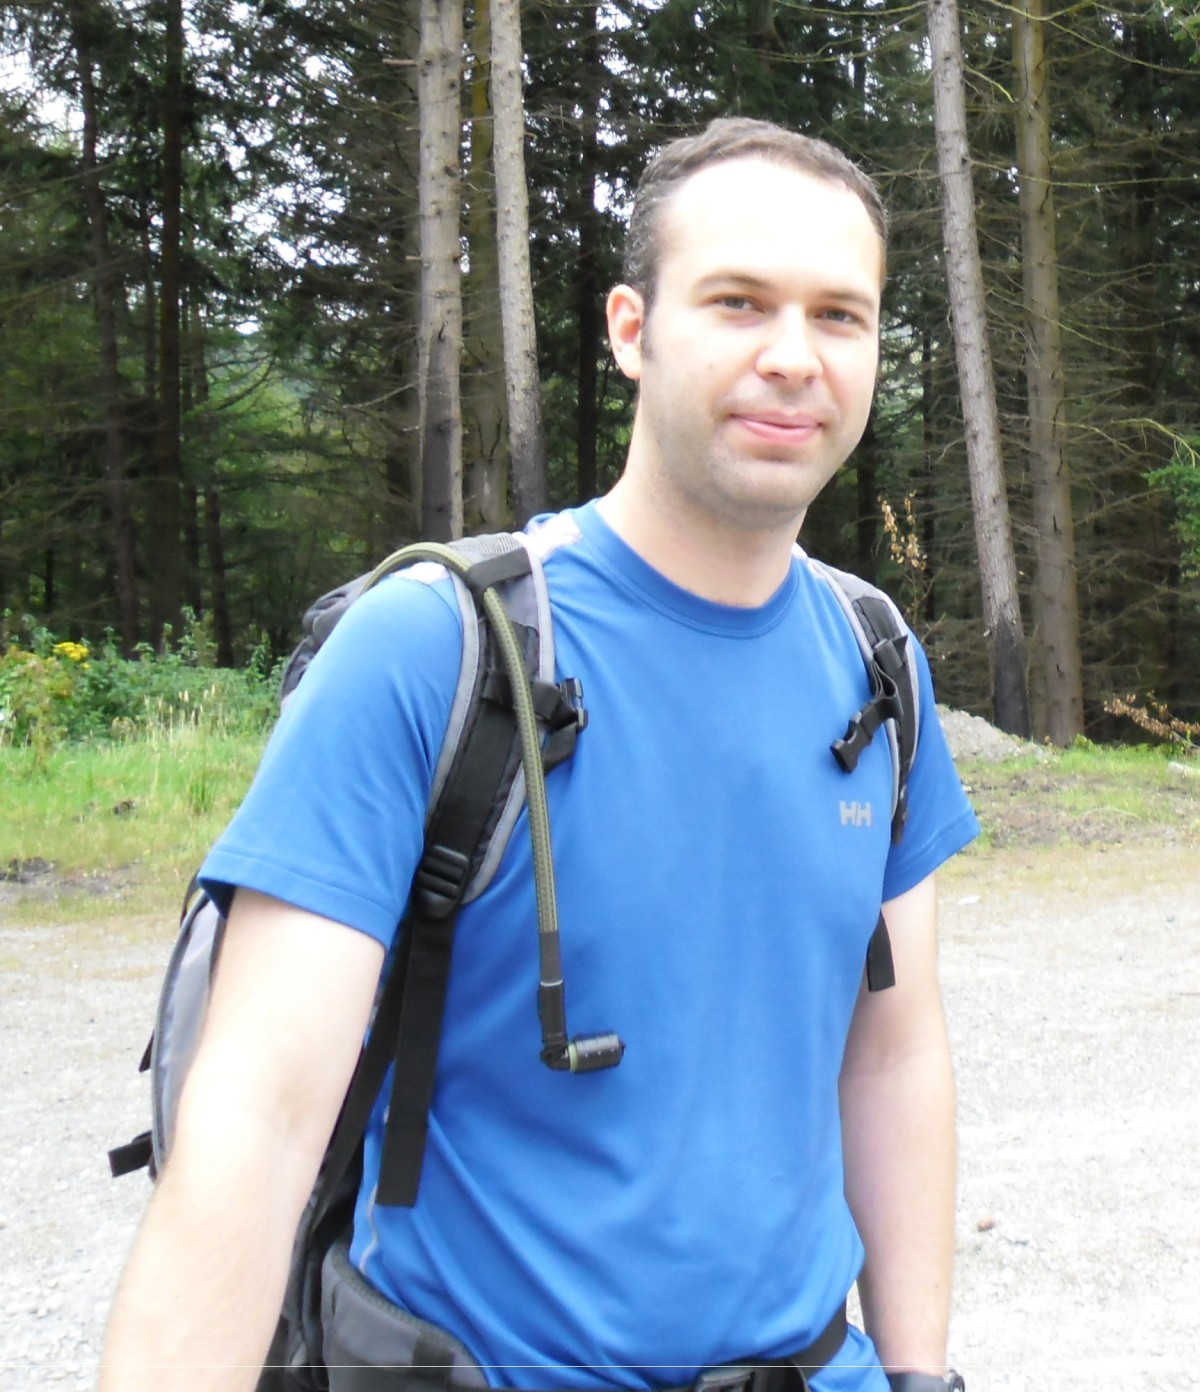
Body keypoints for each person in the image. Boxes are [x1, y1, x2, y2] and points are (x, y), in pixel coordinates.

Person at [100, 117, 979, 1392]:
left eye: (839, 316)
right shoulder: (435, 650)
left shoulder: (878, 662)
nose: (794, 358)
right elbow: (257, 1115)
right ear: (632, 329)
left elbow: (893, 1052)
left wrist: (920, 1372)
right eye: (738, 303)